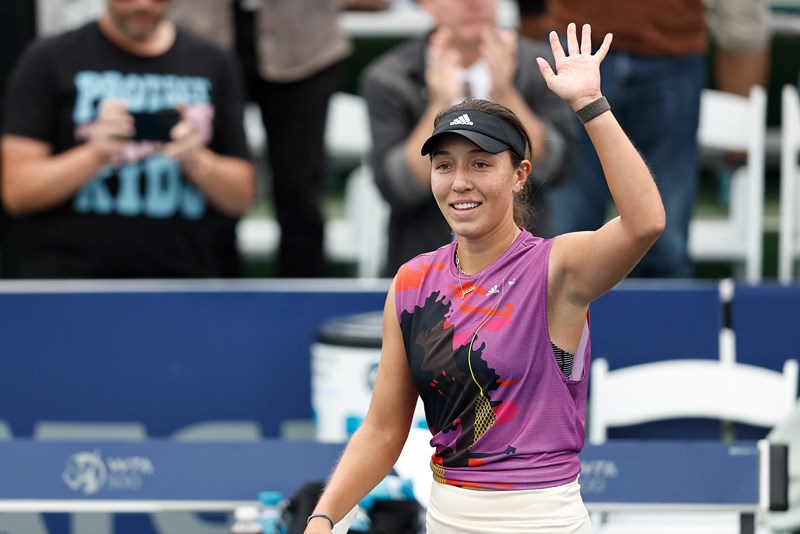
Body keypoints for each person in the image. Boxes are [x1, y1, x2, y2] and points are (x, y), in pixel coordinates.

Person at [305, 23, 665, 533]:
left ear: (520, 175)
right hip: (447, 518)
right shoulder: (412, 282)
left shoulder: (556, 268)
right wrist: (323, 518)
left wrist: (590, 105)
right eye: (445, 165)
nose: (459, 183)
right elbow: (384, 430)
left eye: (480, 163)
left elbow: (645, 222)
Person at [1, 0, 255, 278]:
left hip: (185, 282)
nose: (143, 4)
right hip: (70, 282)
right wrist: (96, 154)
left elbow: (242, 196)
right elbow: (16, 192)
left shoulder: (213, 61)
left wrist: (197, 159)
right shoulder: (50, 57)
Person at [360, 0, 576, 277]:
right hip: (424, 270)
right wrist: (439, 101)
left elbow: (556, 167)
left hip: (524, 269)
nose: (475, 4)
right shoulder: (389, 77)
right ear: (426, 4)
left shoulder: (539, 65)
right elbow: (397, 187)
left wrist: (505, 92)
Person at [169, 0, 353, 278]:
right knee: (206, 184)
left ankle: (302, 305)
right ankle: (211, 297)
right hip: (199, 32)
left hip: (303, 38)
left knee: (299, 190)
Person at [540, 0, 706, 278]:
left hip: (673, 46)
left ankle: (666, 319)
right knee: (569, 234)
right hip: (579, 39)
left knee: (667, 242)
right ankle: (555, 319)